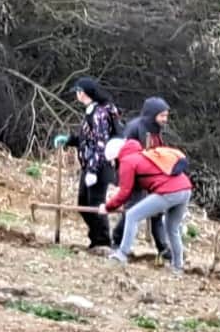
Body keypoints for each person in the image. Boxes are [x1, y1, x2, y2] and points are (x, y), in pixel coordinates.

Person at [102, 105, 193, 273]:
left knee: (132, 215)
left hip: (168, 191)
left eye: (112, 162)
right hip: (185, 188)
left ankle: (122, 254)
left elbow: (124, 193)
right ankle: (178, 267)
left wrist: (107, 207)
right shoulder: (144, 154)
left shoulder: (128, 161)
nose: (113, 166)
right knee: (171, 228)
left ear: (115, 157)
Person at [53, 77, 123, 252]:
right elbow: (87, 140)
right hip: (89, 165)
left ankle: (103, 242)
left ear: (82, 93)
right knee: (83, 202)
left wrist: (93, 170)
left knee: (95, 204)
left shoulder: (99, 114)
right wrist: (70, 140)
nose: (76, 95)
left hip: (100, 167)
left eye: (77, 92)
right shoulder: (90, 111)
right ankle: (96, 238)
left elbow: (100, 144)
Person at [113, 97, 173, 257]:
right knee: (133, 208)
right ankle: (117, 240)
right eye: (162, 116)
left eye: (166, 116)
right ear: (153, 114)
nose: (165, 120)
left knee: (158, 209)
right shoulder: (135, 128)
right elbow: (123, 154)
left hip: (151, 177)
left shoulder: (156, 130)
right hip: (133, 175)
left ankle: (163, 248)